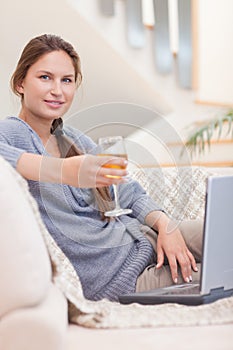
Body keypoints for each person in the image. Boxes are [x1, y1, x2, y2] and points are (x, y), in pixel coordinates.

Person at [0, 34, 202, 302]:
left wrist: (166, 226)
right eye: (45, 77)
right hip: (122, 277)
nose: (57, 90)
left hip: (144, 240)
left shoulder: (72, 138)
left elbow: (127, 190)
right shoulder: (12, 133)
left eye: (67, 80)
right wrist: (63, 171)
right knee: (219, 276)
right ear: (20, 83)